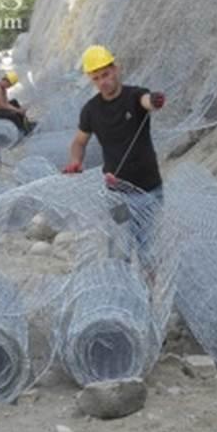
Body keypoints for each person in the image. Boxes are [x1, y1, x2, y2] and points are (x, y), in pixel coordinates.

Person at [63, 45, 166, 272]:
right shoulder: (90, 110)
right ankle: (125, 295)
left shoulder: (134, 95)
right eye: (96, 78)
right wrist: (75, 161)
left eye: (106, 74)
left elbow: (147, 101)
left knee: (149, 252)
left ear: (116, 69)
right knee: (119, 249)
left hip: (150, 192)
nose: (103, 82)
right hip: (116, 196)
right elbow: (79, 142)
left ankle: (150, 298)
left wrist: (155, 101)